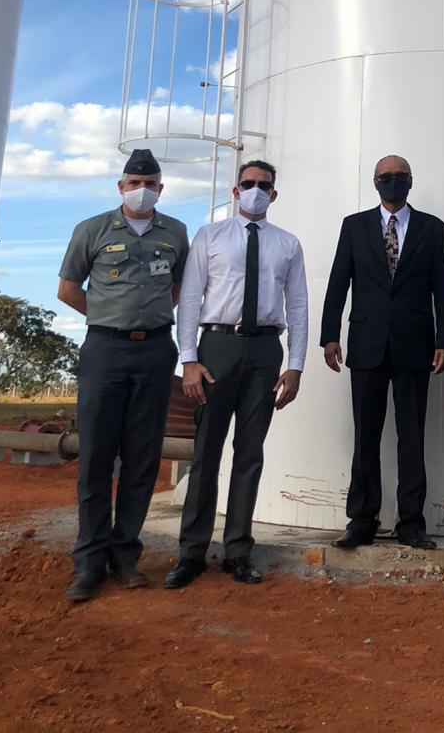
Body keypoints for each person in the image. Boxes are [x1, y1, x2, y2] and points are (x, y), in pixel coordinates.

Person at [164, 160, 308, 589]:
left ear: (275, 195)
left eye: (264, 186)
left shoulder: (288, 244)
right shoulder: (210, 236)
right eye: (248, 184)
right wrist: (188, 359)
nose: (256, 191)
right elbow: (190, 299)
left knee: (249, 453)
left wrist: (295, 365)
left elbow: (297, 307)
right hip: (217, 347)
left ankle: (238, 551)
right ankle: (191, 552)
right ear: (235, 190)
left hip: (265, 349)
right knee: (206, 452)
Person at [57, 147, 189, 603]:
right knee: (95, 458)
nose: (142, 191)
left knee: (141, 457)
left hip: (154, 351)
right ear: (120, 187)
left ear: (160, 188)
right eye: (134, 184)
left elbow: (179, 287)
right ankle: (90, 562)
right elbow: (68, 288)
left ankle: (125, 558)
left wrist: (148, 317)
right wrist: (110, 315)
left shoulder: (175, 232)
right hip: (104, 351)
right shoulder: (91, 229)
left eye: (150, 184)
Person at [321, 155, 444, 550]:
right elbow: (338, 282)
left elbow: (443, 290)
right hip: (366, 346)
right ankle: (361, 520)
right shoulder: (354, 226)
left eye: (400, 177)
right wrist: (330, 335)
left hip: (416, 347)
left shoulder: (433, 228)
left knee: (412, 437)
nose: (393, 183)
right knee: (366, 436)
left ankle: (411, 523)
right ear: (375, 182)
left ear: (411, 182)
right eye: (386, 177)